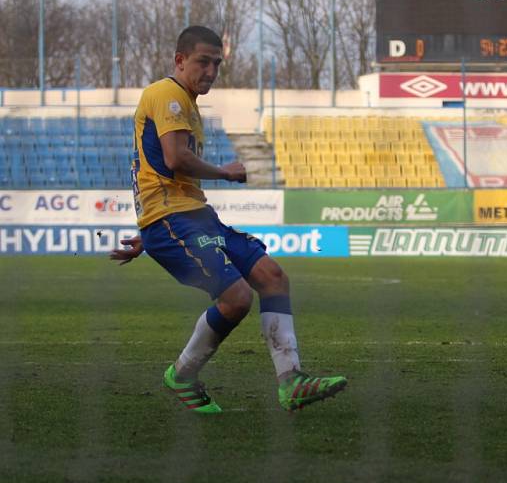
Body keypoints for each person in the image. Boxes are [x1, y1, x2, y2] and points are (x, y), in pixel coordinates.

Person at [109, 25, 346, 413]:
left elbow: (153, 165)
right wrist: (225, 172)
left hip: (191, 217)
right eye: (203, 62)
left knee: (272, 276)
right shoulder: (167, 94)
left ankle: (292, 381)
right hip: (173, 218)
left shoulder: (185, 101)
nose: (211, 71)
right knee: (236, 298)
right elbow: (174, 159)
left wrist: (150, 234)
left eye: (217, 64)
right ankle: (182, 374)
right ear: (180, 60)